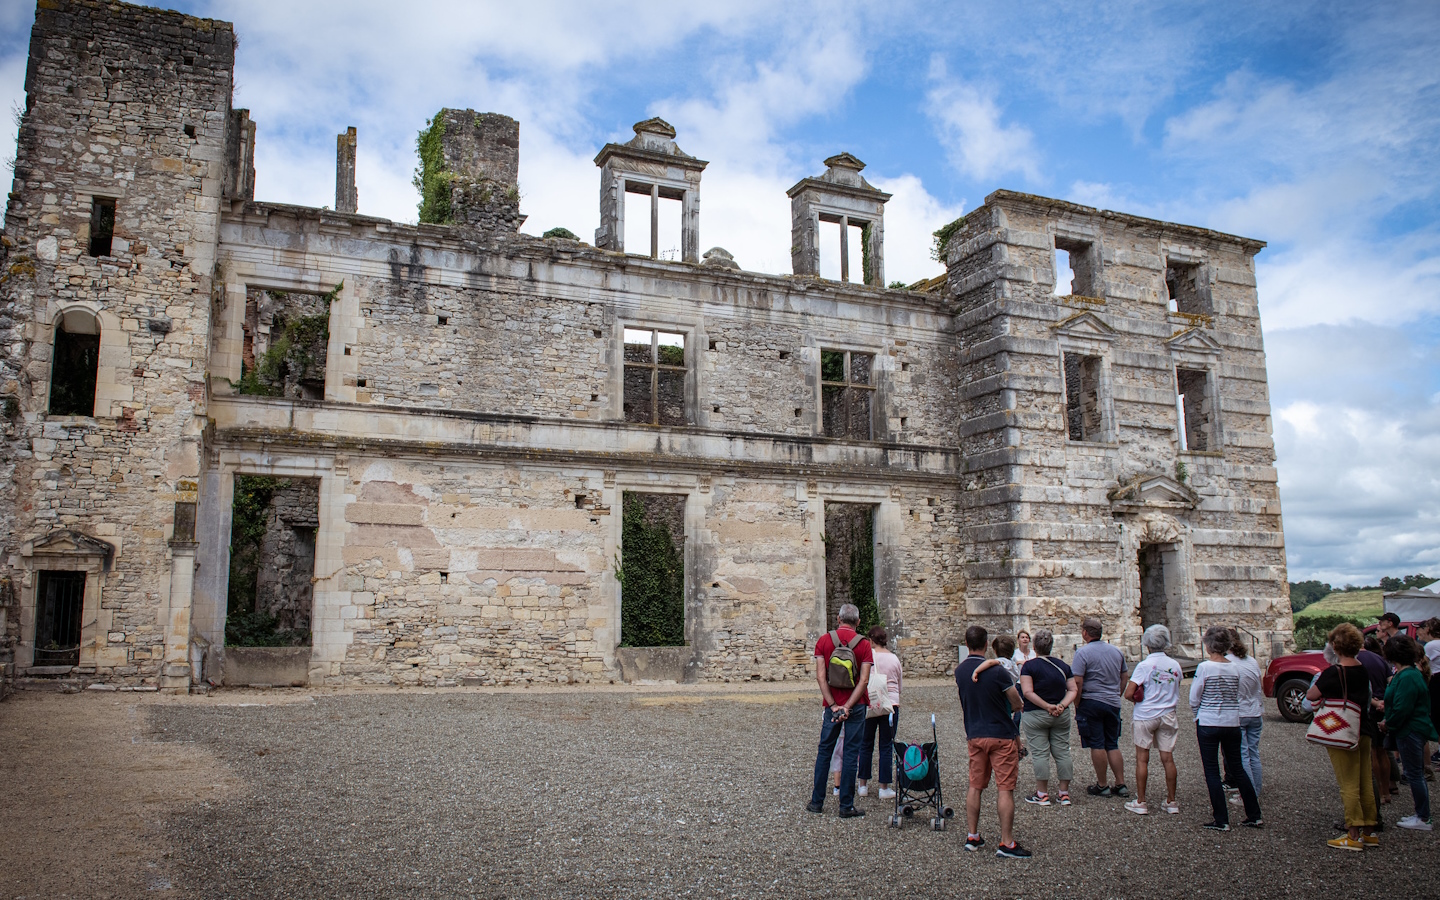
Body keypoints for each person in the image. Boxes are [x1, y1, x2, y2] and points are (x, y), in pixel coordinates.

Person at [955, 624, 1030, 858]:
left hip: (974, 733)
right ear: (987, 644)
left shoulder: (960, 671)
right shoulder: (998, 671)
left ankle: (972, 836)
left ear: (966, 644)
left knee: (975, 786)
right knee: (1005, 788)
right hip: (1000, 734)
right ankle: (1007, 842)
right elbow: (1016, 702)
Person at [1307, 624, 1379, 850]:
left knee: (1347, 783)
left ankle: (1353, 833)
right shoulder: (1362, 668)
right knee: (1365, 780)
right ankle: (1369, 830)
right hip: (1364, 727)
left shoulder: (1334, 672)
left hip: (1342, 729)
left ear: (1335, 647)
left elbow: (1311, 695)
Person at [1190, 626, 1262, 831]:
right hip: (1232, 722)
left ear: (1209, 645)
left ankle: (1221, 819)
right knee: (1238, 768)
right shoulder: (1234, 667)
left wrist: (1198, 714)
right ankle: (1254, 814)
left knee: (1212, 771)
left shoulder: (1205, 667)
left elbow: (1194, 697)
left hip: (1210, 721)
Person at [806, 603, 873, 818]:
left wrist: (834, 705)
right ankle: (846, 806)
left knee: (825, 751)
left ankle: (817, 802)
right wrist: (848, 706)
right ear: (858, 622)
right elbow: (863, 680)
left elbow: (820, 676)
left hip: (831, 706)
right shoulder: (863, 645)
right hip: (857, 705)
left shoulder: (824, 641)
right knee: (851, 754)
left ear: (838, 619)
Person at [1124, 624, 1183, 815]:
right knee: (1167, 758)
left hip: (1146, 714)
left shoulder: (1144, 665)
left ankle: (1141, 801)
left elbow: (1128, 692)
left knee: (1142, 759)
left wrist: (1138, 698)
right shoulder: (1175, 665)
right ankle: (1171, 801)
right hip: (1167, 713)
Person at [1382, 635, 1435, 831]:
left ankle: (1423, 817)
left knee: (1414, 774)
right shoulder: (1408, 674)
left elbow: (1402, 708)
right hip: (1409, 728)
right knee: (1414, 773)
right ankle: (1421, 814)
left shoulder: (1408, 676)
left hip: (1410, 729)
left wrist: (1388, 723)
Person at [1019, 629, 1077, 807]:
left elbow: (1027, 692)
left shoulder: (1029, 666)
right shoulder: (1064, 666)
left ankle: (1042, 794)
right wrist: (1061, 705)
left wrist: (1046, 706)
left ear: (1034, 647)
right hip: (1060, 714)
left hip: (1036, 714)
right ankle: (1064, 793)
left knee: (1040, 753)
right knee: (1062, 751)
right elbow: (1073, 690)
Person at [1072, 617, 1129, 797]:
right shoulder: (1116, 651)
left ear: (1085, 633)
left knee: (1097, 743)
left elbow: (1078, 680)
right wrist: (1116, 694)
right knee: (1112, 743)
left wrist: (1077, 701)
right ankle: (1120, 783)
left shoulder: (1082, 653)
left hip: (1091, 701)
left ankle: (1102, 784)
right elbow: (1124, 676)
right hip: (1112, 701)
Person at [857, 625, 902, 801]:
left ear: (871, 640)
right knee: (886, 744)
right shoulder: (894, 659)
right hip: (890, 704)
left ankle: (863, 785)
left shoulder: (867, 657)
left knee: (865, 743)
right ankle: (884, 787)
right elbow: (899, 684)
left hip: (870, 702)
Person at [1227, 628, 1265, 796]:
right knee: (1253, 754)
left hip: (1239, 713)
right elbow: (1260, 685)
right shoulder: (1252, 661)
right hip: (1255, 712)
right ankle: (1255, 790)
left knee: (1242, 756)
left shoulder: (1227, 663)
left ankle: (1247, 795)